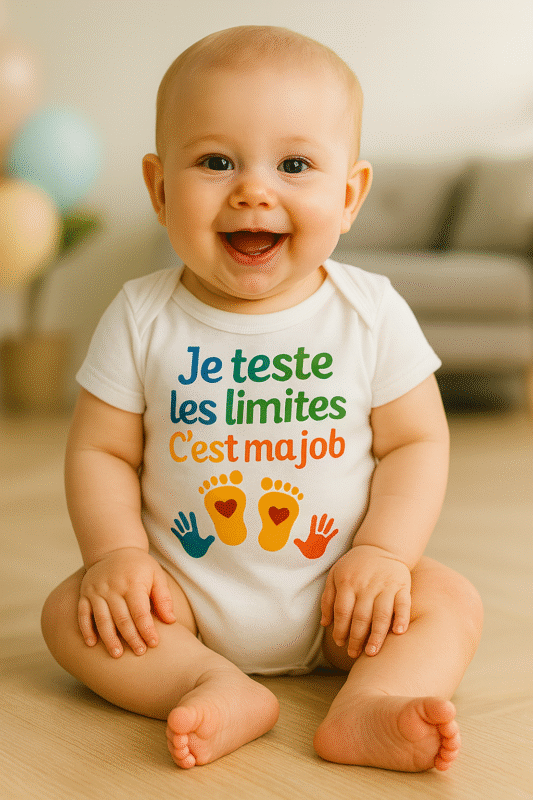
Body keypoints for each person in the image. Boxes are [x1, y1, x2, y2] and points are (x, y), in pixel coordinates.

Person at [41, 25, 483, 773]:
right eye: (216, 161)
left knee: (448, 599)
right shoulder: (141, 314)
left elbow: (416, 442)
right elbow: (101, 449)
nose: (253, 188)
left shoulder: (369, 312)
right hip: (178, 599)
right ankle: (204, 679)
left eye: (294, 164)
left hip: (343, 599)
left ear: (347, 196)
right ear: (158, 189)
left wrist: (382, 553)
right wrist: (116, 556)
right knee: (69, 612)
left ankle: (370, 704)